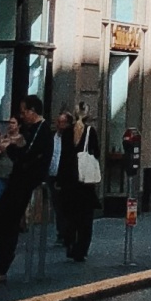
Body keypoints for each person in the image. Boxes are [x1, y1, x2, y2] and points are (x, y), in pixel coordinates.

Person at [0, 94, 52, 278]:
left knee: (6, 218)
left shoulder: (40, 130)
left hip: (25, 179)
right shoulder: (32, 129)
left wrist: (9, 149)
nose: (22, 115)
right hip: (21, 178)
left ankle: (2, 264)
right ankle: (1, 262)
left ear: (33, 112)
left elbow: (27, 154)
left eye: (24, 112)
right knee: (3, 217)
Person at [49, 102, 101, 264]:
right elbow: (96, 154)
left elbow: (63, 158)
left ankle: (70, 245)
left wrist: (59, 179)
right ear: (87, 115)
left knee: (70, 216)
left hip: (68, 182)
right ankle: (81, 250)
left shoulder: (66, 133)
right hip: (84, 183)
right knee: (85, 220)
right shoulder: (90, 132)